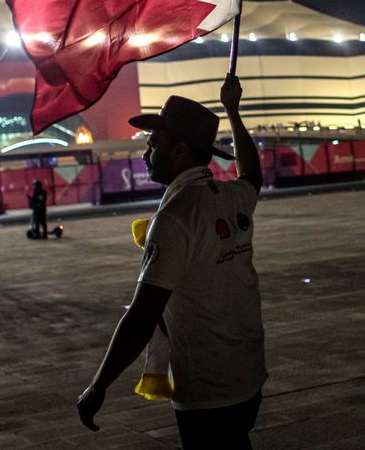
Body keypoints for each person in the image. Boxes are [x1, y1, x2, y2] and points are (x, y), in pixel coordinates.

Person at [77, 74, 266, 449]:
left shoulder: (175, 217)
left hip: (208, 387)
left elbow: (143, 315)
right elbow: (253, 176)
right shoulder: (229, 196)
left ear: (180, 150)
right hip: (248, 375)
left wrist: (99, 385)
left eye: (155, 144)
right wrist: (233, 111)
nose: (147, 153)